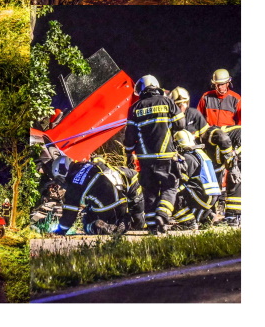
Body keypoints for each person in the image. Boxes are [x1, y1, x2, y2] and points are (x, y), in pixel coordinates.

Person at [124, 75, 185, 233]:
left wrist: (129, 153)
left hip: (145, 159)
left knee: (149, 191)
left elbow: (129, 137)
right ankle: (162, 215)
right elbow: (181, 124)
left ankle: (152, 226)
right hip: (166, 155)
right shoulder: (167, 102)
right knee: (170, 187)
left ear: (141, 90)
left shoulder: (135, 108)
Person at [49, 156, 142, 236]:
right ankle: (125, 220)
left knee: (86, 222)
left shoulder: (73, 187)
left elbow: (68, 217)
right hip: (122, 201)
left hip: (104, 211)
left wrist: (60, 230)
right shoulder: (91, 164)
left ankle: (99, 226)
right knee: (131, 219)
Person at [171, 130, 221, 229]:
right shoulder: (199, 153)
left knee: (173, 192)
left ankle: (188, 223)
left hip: (204, 195)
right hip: (210, 195)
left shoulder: (188, 157)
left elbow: (182, 179)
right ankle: (205, 217)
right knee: (188, 189)